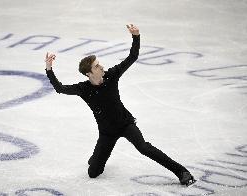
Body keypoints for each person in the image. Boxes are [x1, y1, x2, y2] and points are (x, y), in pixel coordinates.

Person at [44, 24, 196, 186]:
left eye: (99, 63)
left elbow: (132, 57)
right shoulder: (84, 89)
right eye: (97, 66)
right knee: (93, 172)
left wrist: (136, 36)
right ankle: (95, 159)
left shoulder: (112, 75)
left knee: (143, 147)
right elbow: (60, 88)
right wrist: (49, 69)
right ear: (89, 73)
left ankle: (182, 171)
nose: (101, 66)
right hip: (107, 133)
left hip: (125, 124)